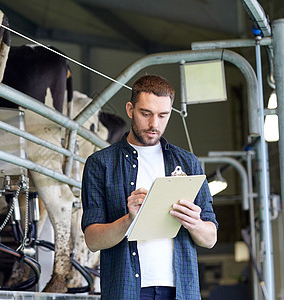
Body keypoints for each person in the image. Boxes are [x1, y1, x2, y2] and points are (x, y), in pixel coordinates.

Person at [81, 74, 218, 300]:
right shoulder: (101, 164)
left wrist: (194, 223)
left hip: (180, 290)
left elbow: (210, 238)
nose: (154, 124)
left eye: (163, 115)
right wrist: (129, 220)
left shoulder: (187, 162)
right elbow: (92, 240)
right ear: (130, 109)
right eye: (146, 114)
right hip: (127, 291)